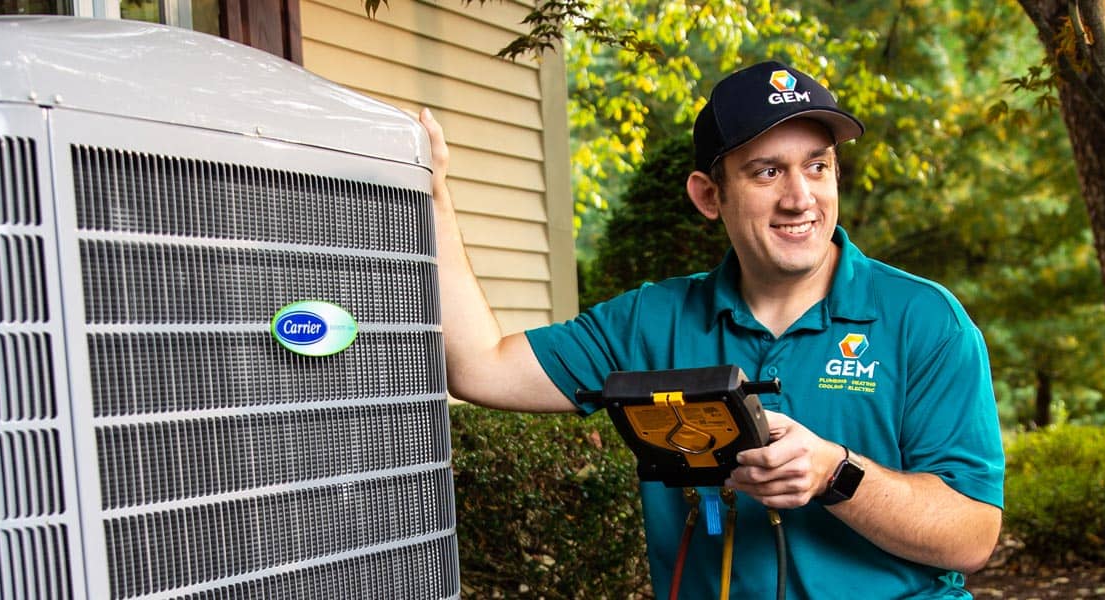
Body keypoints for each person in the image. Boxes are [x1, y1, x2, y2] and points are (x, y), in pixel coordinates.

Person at [418, 60, 1004, 598]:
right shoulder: (653, 320)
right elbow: (479, 366)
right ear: (708, 195)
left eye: (817, 166)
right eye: (767, 171)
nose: (800, 198)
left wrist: (835, 473)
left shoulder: (924, 320)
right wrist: (433, 192)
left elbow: (971, 536)